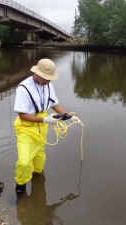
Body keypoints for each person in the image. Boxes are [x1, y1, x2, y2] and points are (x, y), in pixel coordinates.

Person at [13, 58, 81, 193]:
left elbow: (55, 104)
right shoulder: (23, 88)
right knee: (25, 163)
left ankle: (38, 187)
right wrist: (45, 121)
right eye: (45, 78)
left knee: (39, 160)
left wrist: (69, 117)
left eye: (50, 79)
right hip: (26, 128)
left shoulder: (48, 85)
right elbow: (22, 115)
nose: (47, 82)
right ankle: (20, 191)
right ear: (37, 73)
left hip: (42, 128)